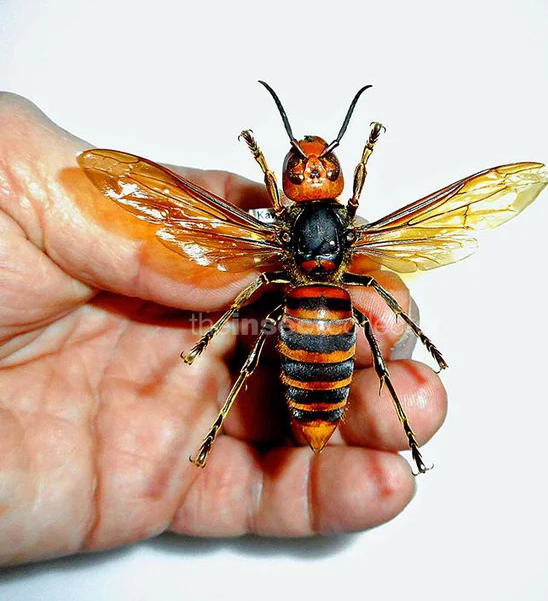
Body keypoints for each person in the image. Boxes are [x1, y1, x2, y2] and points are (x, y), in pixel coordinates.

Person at [0, 93, 447, 566]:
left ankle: (225, 422)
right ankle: (376, 421)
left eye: (323, 166)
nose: (314, 171)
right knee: (366, 323)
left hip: (307, 313)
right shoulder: (306, 228)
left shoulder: (299, 225)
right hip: (327, 313)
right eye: (301, 166)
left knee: (364, 319)